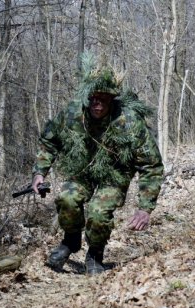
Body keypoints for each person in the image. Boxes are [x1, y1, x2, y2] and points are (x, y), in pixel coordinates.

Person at [31, 55, 164, 275]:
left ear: (112, 100)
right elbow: (49, 141)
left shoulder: (129, 121)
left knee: (98, 211)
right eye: (93, 98)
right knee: (67, 198)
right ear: (87, 97)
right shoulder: (73, 114)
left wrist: (145, 208)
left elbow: (151, 165)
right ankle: (71, 240)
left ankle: (95, 254)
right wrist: (39, 173)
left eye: (104, 99)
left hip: (115, 174)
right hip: (82, 169)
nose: (98, 104)